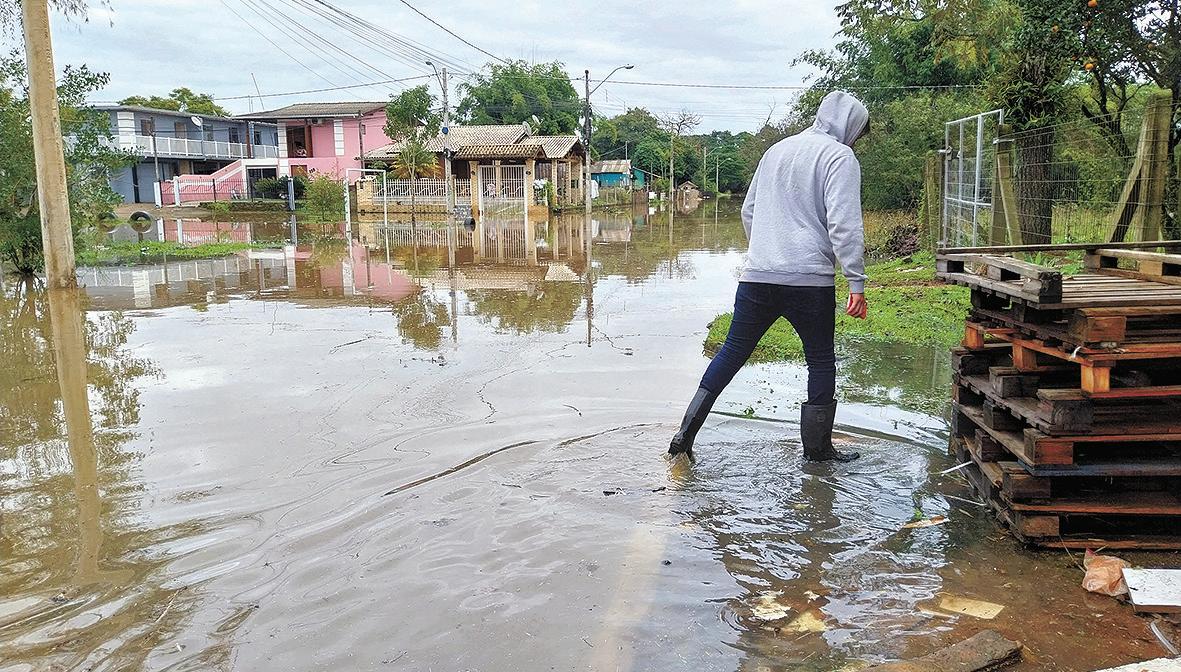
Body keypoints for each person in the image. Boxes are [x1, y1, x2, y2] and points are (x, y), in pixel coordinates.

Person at [668, 91, 870, 463]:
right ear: (851, 125)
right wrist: (855, 281)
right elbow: (844, 224)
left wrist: (766, 251)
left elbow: (749, 210)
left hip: (757, 277)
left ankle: (684, 436)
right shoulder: (840, 157)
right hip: (810, 281)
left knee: (731, 353)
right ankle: (818, 452)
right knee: (820, 361)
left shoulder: (775, 151)